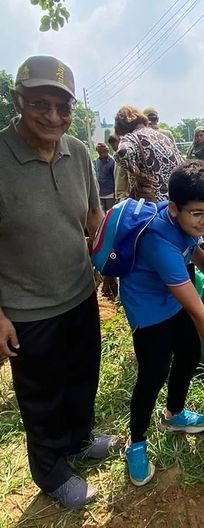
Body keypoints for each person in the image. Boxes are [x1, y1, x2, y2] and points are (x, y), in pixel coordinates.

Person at [0, 56, 119, 509]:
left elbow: (93, 216)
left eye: (63, 107)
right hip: (27, 309)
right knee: (41, 395)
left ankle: (78, 441)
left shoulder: (80, 153)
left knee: (82, 377)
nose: (53, 117)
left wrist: (109, 257)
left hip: (78, 292)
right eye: (40, 105)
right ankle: (50, 472)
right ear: (18, 102)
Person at [120, 160, 204, 486]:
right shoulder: (160, 243)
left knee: (189, 351)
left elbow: (193, 252)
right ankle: (135, 442)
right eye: (197, 214)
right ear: (174, 209)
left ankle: (174, 414)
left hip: (170, 296)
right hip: (147, 308)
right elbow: (199, 314)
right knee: (153, 373)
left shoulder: (183, 221)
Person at [114, 105, 182, 202]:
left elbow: (122, 153)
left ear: (122, 129)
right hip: (174, 201)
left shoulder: (132, 137)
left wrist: (138, 174)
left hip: (152, 205)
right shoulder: (164, 138)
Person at [94, 142, 116, 211]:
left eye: (103, 151)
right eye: (100, 152)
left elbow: (115, 177)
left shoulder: (112, 162)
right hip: (100, 193)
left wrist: (115, 192)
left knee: (110, 213)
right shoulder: (96, 162)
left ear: (107, 151)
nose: (102, 154)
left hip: (110, 193)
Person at [109, 133, 129, 202]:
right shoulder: (116, 157)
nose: (113, 146)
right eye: (111, 144)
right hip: (119, 196)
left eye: (114, 142)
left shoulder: (126, 156)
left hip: (126, 197)